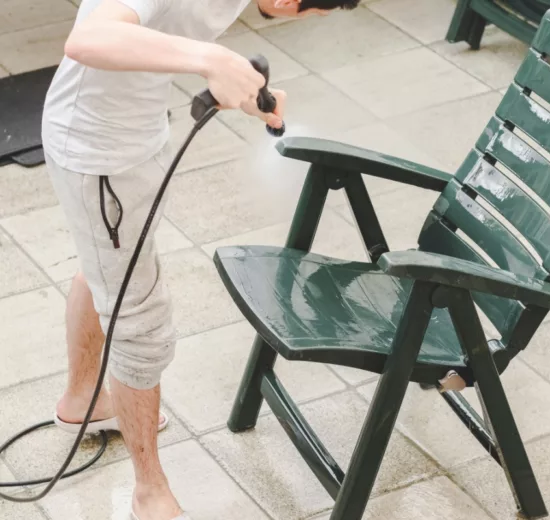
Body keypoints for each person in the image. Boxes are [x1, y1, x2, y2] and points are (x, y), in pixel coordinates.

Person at [41, 1, 359, 519]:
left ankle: (84, 403)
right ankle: (151, 494)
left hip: (133, 135)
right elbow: (89, 37)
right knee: (140, 324)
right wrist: (210, 58)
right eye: (307, 12)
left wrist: (234, 85)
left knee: (104, 267)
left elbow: (160, 31)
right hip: (101, 153)